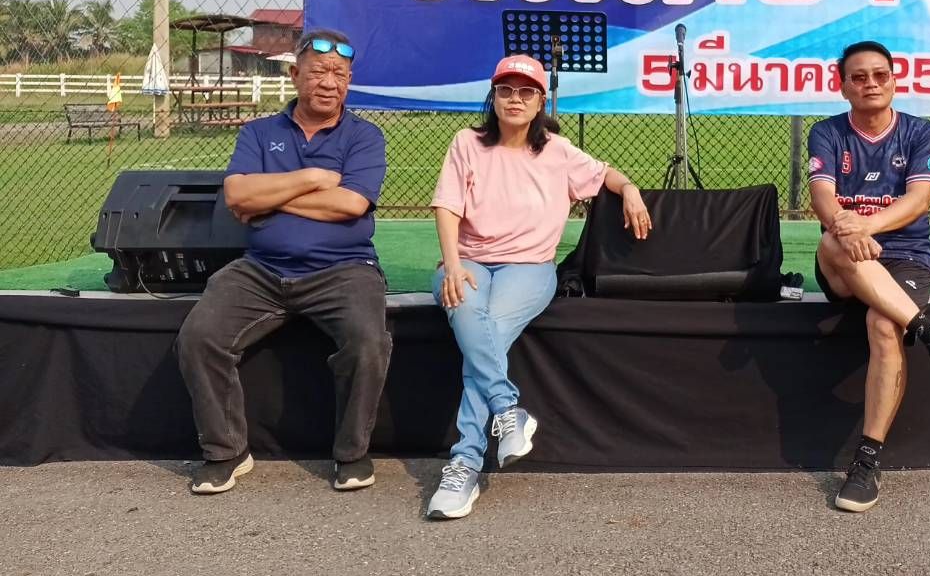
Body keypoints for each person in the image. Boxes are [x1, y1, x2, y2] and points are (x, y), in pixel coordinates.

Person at [424, 54, 651, 520]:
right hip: (467, 261)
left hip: (528, 267)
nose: (515, 99)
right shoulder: (467, 142)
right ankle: (507, 412)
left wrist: (628, 188)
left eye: (526, 91)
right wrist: (452, 266)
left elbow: (604, 174)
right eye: (505, 90)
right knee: (470, 314)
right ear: (493, 97)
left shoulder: (558, 151)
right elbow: (447, 205)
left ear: (540, 101)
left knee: (485, 332)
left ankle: (464, 462)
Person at [177, 29, 390, 495]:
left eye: (340, 74)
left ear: (349, 81)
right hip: (260, 269)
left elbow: (351, 204)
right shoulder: (258, 132)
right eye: (318, 72)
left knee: (368, 342)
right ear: (295, 75)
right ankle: (226, 452)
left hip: (345, 269)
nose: (329, 82)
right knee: (200, 336)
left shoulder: (364, 136)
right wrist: (312, 177)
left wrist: (269, 197)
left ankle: (352, 453)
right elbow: (236, 195)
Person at [808, 40, 930, 514]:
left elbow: (919, 200)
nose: (871, 84)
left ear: (894, 80)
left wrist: (866, 225)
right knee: (829, 242)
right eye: (859, 77)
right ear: (843, 86)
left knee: (883, 324)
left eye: (880, 75)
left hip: (904, 256)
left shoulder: (920, 132)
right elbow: (822, 198)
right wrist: (847, 228)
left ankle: (866, 462)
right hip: (845, 258)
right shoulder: (827, 132)